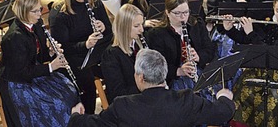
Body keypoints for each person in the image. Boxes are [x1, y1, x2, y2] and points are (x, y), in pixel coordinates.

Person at [69, 49, 236, 127]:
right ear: (163, 73)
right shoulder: (187, 100)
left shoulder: (122, 106)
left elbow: (93, 124)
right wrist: (224, 97)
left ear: (140, 77)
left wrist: (76, 116)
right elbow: (223, 112)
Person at [222, 0, 278, 127]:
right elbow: (247, 40)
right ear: (274, 9)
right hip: (262, 70)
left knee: (271, 104)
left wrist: (250, 32)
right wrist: (230, 29)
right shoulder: (269, 23)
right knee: (243, 92)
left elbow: (272, 52)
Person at [0, 0, 79, 127]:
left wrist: (50, 52)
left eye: (40, 9)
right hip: (17, 84)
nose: (40, 14)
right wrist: (51, 67)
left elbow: (37, 56)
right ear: (24, 12)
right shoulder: (14, 37)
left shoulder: (36, 24)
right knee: (57, 103)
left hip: (32, 74)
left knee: (69, 90)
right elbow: (22, 72)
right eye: (35, 11)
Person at [49, 0, 113, 114]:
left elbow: (109, 31)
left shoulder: (94, 2)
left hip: (95, 54)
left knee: (117, 68)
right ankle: (87, 118)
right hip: (72, 59)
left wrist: (103, 27)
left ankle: (113, 113)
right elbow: (62, 48)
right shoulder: (60, 13)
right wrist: (85, 44)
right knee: (87, 80)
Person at [146, 0, 215, 93]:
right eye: (177, 13)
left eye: (186, 12)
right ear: (167, 13)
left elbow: (210, 49)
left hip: (198, 73)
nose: (183, 17)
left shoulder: (197, 25)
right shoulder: (157, 34)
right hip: (173, 81)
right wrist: (178, 71)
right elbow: (156, 66)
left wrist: (199, 56)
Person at [101, 4, 146, 103]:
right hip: (128, 105)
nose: (141, 30)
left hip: (143, 100)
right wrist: (145, 87)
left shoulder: (140, 45)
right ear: (124, 27)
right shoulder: (111, 55)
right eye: (136, 26)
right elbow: (117, 93)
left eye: (142, 24)